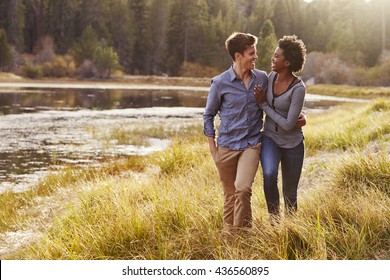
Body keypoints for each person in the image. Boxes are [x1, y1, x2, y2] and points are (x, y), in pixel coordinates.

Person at [203, 32, 268, 232]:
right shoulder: (220, 83)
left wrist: (299, 115)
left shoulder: (263, 78)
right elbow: (208, 115)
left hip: (251, 144)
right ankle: (230, 237)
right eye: (251, 53)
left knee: (243, 188)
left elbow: (278, 99)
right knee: (230, 195)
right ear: (238, 56)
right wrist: (214, 150)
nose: (255, 57)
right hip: (226, 146)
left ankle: (243, 233)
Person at [254, 35, 307, 221]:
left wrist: (264, 106)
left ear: (287, 62)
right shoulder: (270, 77)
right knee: (269, 175)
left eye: (277, 56)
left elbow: (287, 125)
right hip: (269, 138)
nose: (272, 58)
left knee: (290, 193)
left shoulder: (298, 88)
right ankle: (275, 222)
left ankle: (291, 228)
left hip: (293, 144)